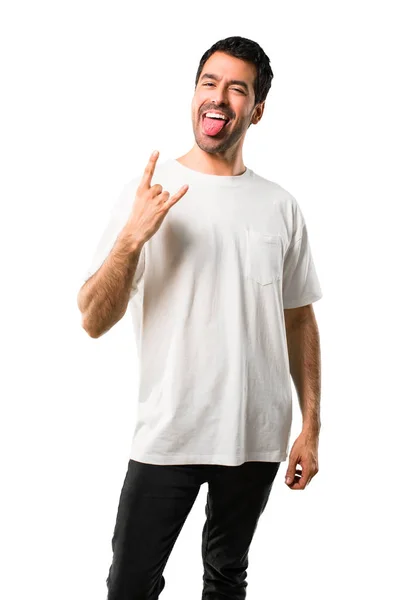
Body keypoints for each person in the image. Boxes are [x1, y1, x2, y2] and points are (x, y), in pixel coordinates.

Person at [77, 35, 323, 600]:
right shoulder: (151, 192)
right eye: (208, 83)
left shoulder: (280, 205)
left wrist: (311, 426)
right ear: (194, 94)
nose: (218, 98)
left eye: (237, 89)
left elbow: (299, 320)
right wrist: (132, 239)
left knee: (226, 578)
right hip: (170, 435)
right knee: (129, 585)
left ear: (256, 110)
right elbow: (93, 318)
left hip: (255, 437)